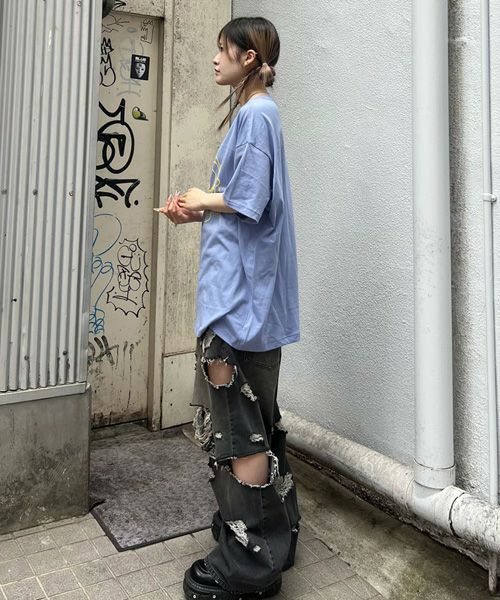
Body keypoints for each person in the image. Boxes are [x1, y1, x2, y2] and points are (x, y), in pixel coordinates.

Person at [158, 16, 301, 600]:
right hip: (247, 304)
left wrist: (203, 197)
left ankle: (250, 563)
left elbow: (249, 199)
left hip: (237, 307)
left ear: (248, 58)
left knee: (240, 432)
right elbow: (243, 205)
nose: (215, 58)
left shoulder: (256, 115)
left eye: (223, 49)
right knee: (256, 423)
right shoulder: (255, 114)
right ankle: (273, 538)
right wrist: (198, 209)